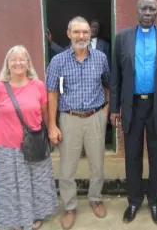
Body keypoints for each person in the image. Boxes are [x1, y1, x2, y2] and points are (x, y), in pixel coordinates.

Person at [109, 0, 157, 225]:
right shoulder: (122, 38)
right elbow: (116, 78)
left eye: (152, 8)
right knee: (132, 156)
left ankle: (155, 202)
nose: (147, 12)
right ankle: (133, 200)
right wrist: (114, 108)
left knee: (156, 155)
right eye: (143, 8)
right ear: (136, 11)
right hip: (131, 105)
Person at [0, 45, 57, 230]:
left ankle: (35, 216)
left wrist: (50, 131)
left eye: (22, 59)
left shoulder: (38, 86)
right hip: (6, 147)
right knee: (10, 186)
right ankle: (13, 219)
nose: (18, 63)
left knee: (36, 182)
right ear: (7, 64)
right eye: (13, 59)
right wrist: (5, 130)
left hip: (34, 143)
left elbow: (44, 112)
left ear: (28, 63)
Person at [46, 16, 110, 230]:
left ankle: (96, 198)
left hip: (95, 117)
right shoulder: (58, 61)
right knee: (67, 168)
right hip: (69, 118)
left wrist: (106, 110)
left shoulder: (100, 58)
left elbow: (108, 84)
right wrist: (52, 125)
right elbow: (52, 93)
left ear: (90, 34)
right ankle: (70, 206)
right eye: (76, 32)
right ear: (68, 34)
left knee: (97, 165)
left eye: (85, 32)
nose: (81, 36)